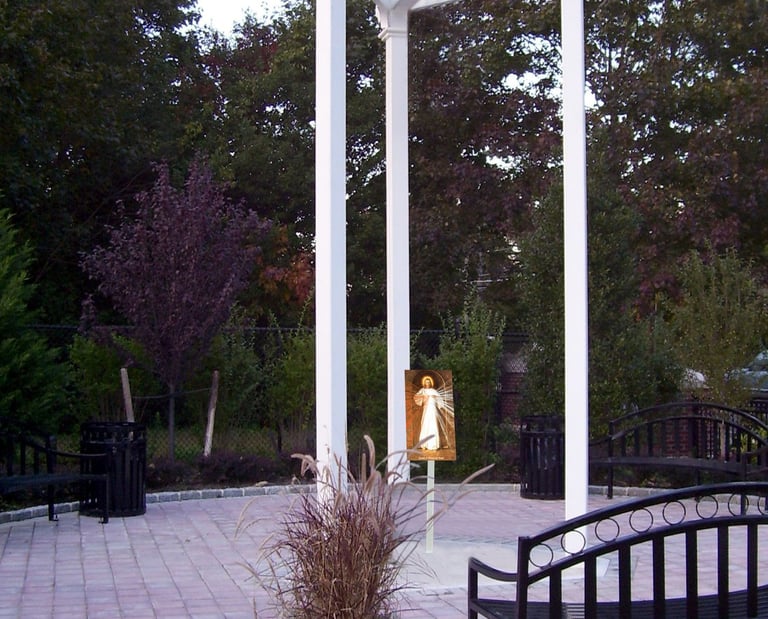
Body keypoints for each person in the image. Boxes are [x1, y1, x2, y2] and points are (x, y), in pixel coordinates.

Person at [414, 374, 446, 450]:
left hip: (432, 409)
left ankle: (433, 444)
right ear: (424, 383)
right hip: (426, 409)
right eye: (426, 382)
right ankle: (424, 444)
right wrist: (424, 398)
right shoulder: (423, 390)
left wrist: (434, 397)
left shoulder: (433, 391)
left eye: (429, 382)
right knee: (425, 423)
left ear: (430, 383)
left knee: (433, 423)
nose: (427, 383)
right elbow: (416, 397)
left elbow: (439, 399)